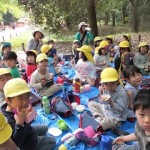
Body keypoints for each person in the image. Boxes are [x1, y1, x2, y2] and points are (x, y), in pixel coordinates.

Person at [1, 78, 56, 150]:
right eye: (20, 99)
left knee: (45, 127)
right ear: (8, 100)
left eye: (26, 97)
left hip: (28, 131)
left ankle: (33, 134)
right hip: (28, 144)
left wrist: (26, 119)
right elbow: (16, 144)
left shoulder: (16, 107)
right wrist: (20, 123)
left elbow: (26, 123)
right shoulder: (7, 120)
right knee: (53, 141)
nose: (24, 102)